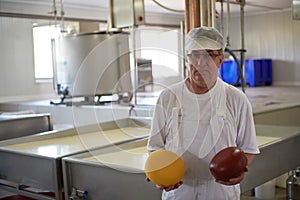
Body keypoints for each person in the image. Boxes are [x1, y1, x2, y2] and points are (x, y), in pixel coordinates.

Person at [147, 26, 260, 200]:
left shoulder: (236, 99)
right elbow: (155, 148)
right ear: (186, 59)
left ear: (220, 60)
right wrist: (159, 175)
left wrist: (238, 170)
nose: (200, 63)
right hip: (179, 191)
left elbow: (248, 149)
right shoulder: (168, 97)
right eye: (194, 55)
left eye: (209, 55)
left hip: (219, 191)